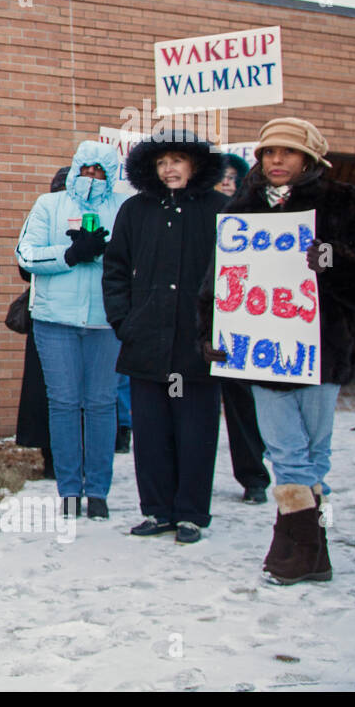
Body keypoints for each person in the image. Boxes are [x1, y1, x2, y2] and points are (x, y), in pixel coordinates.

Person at [201, 118, 355, 583]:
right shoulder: (242, 207)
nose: (276, 161)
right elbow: (216, 280)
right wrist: (211, 331)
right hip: (264, 351)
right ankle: (298, 555)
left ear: (310, 159)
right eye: (269, 152)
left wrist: (335, 260)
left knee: (314, 455)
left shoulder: (344, 203)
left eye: (288, 152)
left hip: (323, 349)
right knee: (286, 453)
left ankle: (304, 554)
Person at [103, 131, 226, 544]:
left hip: (198, 344)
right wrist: (124, 321)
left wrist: (220, 330)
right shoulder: (135, 211)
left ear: (195, 164)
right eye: (161, 162)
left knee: (196, 431)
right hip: (147, 341)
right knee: (152, 433)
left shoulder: (220, 210)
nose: (169, 168)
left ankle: (191, 512)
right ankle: (157, 510)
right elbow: (116, 270)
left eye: (177, 159)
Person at [16, 140, 127, 519]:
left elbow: (137, 260)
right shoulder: (50, 205)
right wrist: (70, 254)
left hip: (105, 322)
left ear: (111, 175)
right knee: (63, 404)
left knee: (100, 404)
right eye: (86, 169)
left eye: (101, 171)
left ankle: (97, 491)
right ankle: (68, 489)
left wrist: (104, 253)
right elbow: (26, 254)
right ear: (75, 168)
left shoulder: (123, 207)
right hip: (54, 321)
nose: (92, 177)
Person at [207, 152, 270, 502]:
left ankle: (254, 477)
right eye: (222, 175)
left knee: (243, 404)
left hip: (241, 323)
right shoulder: (201, 211)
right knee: (194, 401)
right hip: (204, 319)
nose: (228, 181)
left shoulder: (254, 215)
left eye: (234, 176)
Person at [15, 167, 70, 479]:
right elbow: (25, 263)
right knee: (45, 391)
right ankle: (50, 456)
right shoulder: (43, 215)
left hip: (83, 317)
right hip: (46, 312)